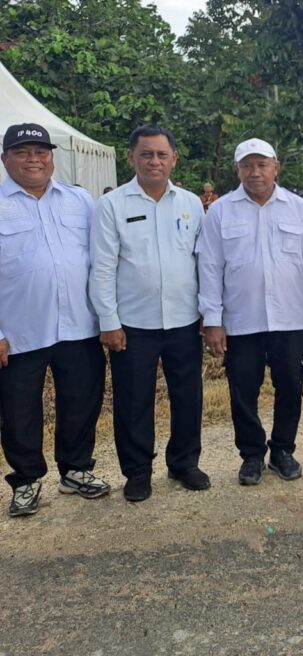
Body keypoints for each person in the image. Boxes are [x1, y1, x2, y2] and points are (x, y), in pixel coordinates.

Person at [198, 138, 303, 486]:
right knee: (243, 390)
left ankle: (283, 450)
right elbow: (210, 268)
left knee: (289, 386)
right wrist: (212, 321)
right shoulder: (221, 210)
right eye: (247, 166)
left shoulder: (298, 209)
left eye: (262, 165)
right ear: (237, 169)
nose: (255, 172)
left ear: (276, 167)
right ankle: (252, 455)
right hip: (241, 321)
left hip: (290, 318)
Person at [90, 124, 207, 502]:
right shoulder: (112, 206)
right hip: (133, 325)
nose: (154, 161)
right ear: (131, 158)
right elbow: (103, 267)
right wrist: (108, 321)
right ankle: (138, 472)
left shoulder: (190, 204)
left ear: (174, 158)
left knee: (188, 396)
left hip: (184, 321)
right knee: (133, 401)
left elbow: (202, 263)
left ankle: (184, 462)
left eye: (161, 154)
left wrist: (208, 312)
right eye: (146, 154)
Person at [0, 124, 109, 517]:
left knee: (82, 400)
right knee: (18, 409)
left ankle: (76, 470)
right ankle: (26, 480)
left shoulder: (80, 200)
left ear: (52, 157)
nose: (34, 159)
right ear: (4, 158)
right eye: (23, 151)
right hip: (20, 331)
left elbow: (102, 260)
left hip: (80, 325)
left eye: (41, 151)